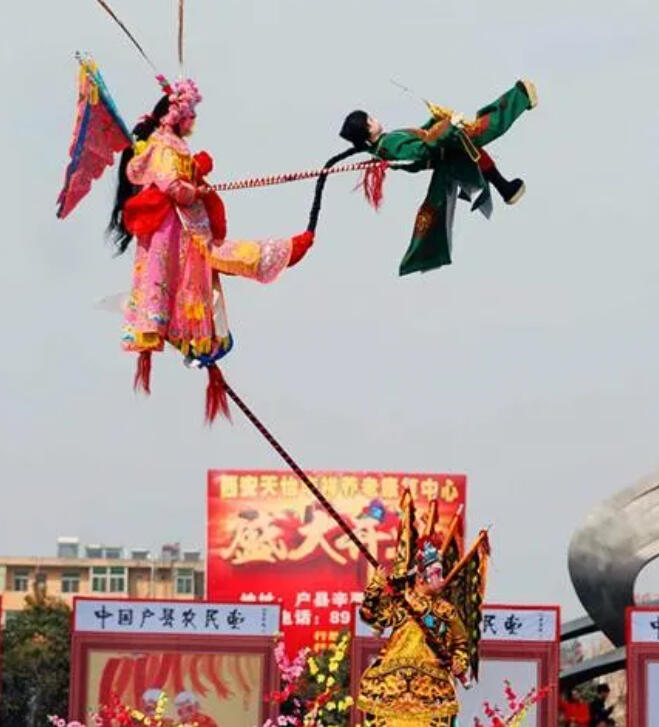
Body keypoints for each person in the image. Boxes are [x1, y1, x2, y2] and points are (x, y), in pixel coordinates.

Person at [107, 77, 313, 410]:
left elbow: (178, 179)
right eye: (191, 115)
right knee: (211, 264)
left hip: (185, 225)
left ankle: (280, 254)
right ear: (177, 115)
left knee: (211, 273)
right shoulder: (162, 145)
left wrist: (195, 173)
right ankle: (280, 253)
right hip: (176, 230)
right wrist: (194, 181)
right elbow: (171, 184)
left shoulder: (167, 144)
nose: (194, 122)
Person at [338, 80, 537, 275]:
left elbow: (422, 136)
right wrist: (447, 127)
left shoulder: (387, 141)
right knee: (485, 128)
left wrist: (436, 120)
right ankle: (521, 96)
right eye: (370, 121)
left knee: (473, 150)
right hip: (445, 152)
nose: (375, 119)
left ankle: (505, 189)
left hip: (448, 149)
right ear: (367, 131)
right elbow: (420, 151)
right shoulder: (387, 147)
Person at [356, 490, 490, 727]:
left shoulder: (446, 611)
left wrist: (460, 661)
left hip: (431, 691)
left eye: (441, 573)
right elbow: (370, 614)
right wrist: (376, 586)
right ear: (420, 577)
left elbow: (461, 643)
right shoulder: (401, 601)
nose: (441, 578)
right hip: (391, 688)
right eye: (436, 573)